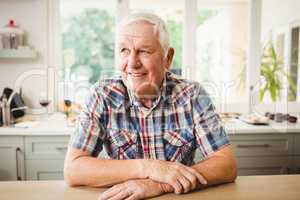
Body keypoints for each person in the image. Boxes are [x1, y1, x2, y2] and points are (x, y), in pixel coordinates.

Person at [64, 12, 237, 200]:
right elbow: (74, 170)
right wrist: (149, 167)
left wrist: (159, 184)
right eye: (124, 50)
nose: (132, 63)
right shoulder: (102, 95)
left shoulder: (192, 95)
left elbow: (226, 165)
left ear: (167, 58)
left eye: (144, 51)